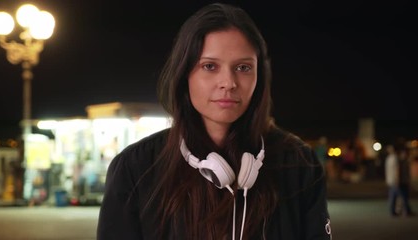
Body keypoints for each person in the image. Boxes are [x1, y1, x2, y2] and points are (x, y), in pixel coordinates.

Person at [97, 3, 331, 240]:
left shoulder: (300, 165)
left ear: (259, 77)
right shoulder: (135, 169)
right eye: (210, 66)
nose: (228, 82)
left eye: (243, 67)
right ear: (184, 73)